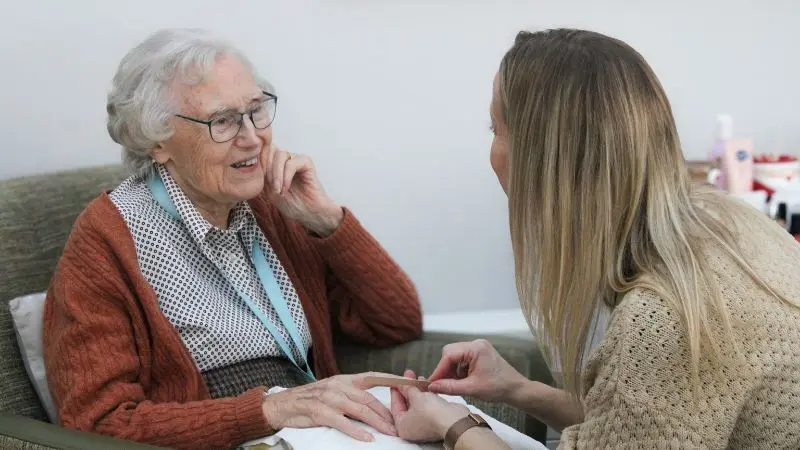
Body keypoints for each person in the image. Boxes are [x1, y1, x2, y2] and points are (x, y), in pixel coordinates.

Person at [389, 28, 800, 449]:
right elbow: (639, 425)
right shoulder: (729, 218)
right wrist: (515, 388)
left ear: (546, 159)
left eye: (495, 128)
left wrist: (453, 425)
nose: (492, 152)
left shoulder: (661, 318)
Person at [42, 28, 423, 450]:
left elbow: (396, 322)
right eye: (222, 120)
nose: (251, 137)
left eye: (256, 110)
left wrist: (326, 221)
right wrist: (270, 410)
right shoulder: (108, 243)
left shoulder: (270, 206)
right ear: (157, 142)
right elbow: (96, 424)